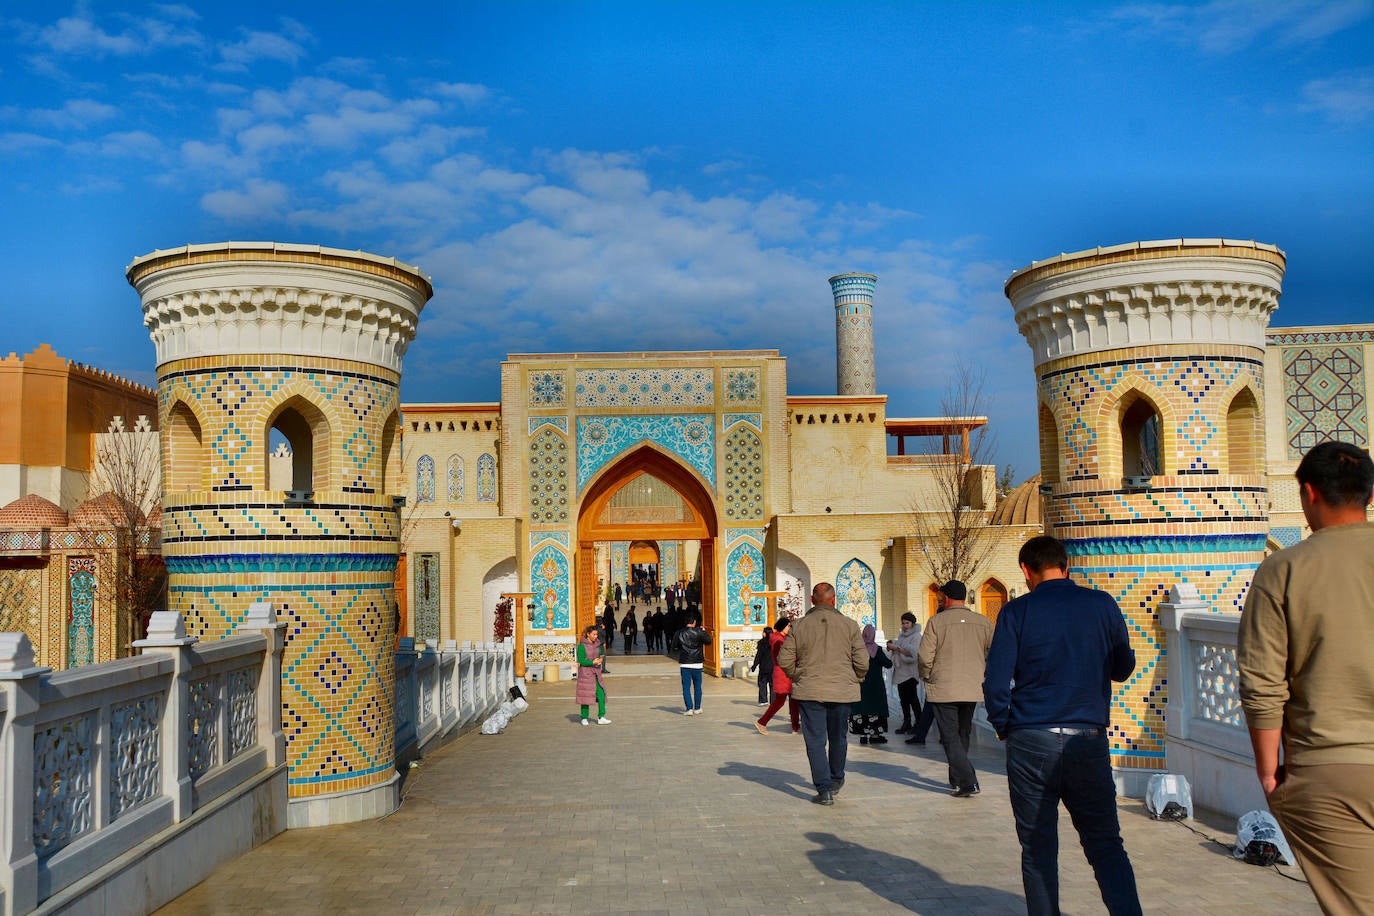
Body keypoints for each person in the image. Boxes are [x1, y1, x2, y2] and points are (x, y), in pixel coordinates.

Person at [1238, 440, 1374, 915]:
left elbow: (1262, 684)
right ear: (1369, 497)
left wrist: (1267, 771)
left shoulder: (1283, 570)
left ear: (1308, 494)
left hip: (1331, 771)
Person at [984, 535, 1140, 916]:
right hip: (1086, 738)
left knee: (1038, 847)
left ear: (1026, 570)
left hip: (1031, 737)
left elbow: (995, 682)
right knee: (1105, 843)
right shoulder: (1101, 604)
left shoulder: (1017, 612)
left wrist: (1006, 726)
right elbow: (1123, 667)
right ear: (1066, 565)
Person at [778, 583, 868, 806]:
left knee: (816, 741)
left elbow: (784, 660)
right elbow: (863, 661)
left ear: (811, 599)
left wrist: (798, 675)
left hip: (810, 690)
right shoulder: (849, 625)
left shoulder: (799, 626)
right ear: (834, 599)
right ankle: (836, 779)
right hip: (842, 690)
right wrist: (856, 677)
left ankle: (824, 789)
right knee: (839, 737)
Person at [918, 580, 992, 797]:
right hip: (971, 686)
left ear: (946, 598)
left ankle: (968, 780)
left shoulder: (936, 622)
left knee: (950, 736)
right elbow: (995, 650)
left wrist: (927, 674)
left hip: (944, 688)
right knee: (963, 732)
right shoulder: (983, 622)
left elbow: (924, 656)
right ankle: (957, 778)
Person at [850, 624, 892, 744]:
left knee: (862, 707)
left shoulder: (858, 649)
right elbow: (888, 664)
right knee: (875, 708)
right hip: (876, 685)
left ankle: (863, 734)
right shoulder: (877, 650)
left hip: (861, 683)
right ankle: (875, 735)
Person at [756, 617, 799, 734]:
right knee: (780, 701)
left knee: (794, 700)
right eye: (788, 626)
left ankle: (795, 725)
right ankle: (762, 722)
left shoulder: (782, 638)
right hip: (782, 673)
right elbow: (783, 657)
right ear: (783, 627)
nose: (789, 628)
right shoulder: (778, 640)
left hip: (787, 672)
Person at [887, 612, 922, 734]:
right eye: (903, 623)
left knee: (913, 699)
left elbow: (912, 654)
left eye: (907, 623)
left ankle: (919, 724)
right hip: (901, 672)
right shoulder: (902, 636)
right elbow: (899, 648)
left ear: (912, 623)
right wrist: (892, 645)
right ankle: (906, 722)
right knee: (904, 700)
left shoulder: (916, 636)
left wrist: (896, 648)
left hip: (910, 673)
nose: (905, 625)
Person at [673, 611, 712, 714]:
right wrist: (703, 631)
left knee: (686, 687)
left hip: (685, 662)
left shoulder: (679, 632)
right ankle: (698, 708)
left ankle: (689, 708)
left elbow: (674, 647)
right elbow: (708, 641)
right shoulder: (699, 632)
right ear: (694, 622)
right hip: (697, 663)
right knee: (697, 686)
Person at [575, 624, 610, 726]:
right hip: (586, 674)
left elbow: (599, 655)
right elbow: (581, 660)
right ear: (588, 634)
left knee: (601, 694)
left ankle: (601, 716)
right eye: (594, 634)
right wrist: (592, 662)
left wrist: (600, 659)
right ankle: (584, 717)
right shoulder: (582, 646)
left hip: (596, 673)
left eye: (596, 635)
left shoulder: (597, 644)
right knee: (585, 696)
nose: (596, 636)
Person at [750, 626, 774, 706]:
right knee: (772, 684)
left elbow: (758, 656)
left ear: (765, 634)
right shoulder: (775, 642)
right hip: (773, 668)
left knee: (762, 684)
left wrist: (754, 665)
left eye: (763, 632)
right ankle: (773, 701)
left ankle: (763, 700)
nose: (762, 633)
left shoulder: (762, 643)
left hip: (764, 668)